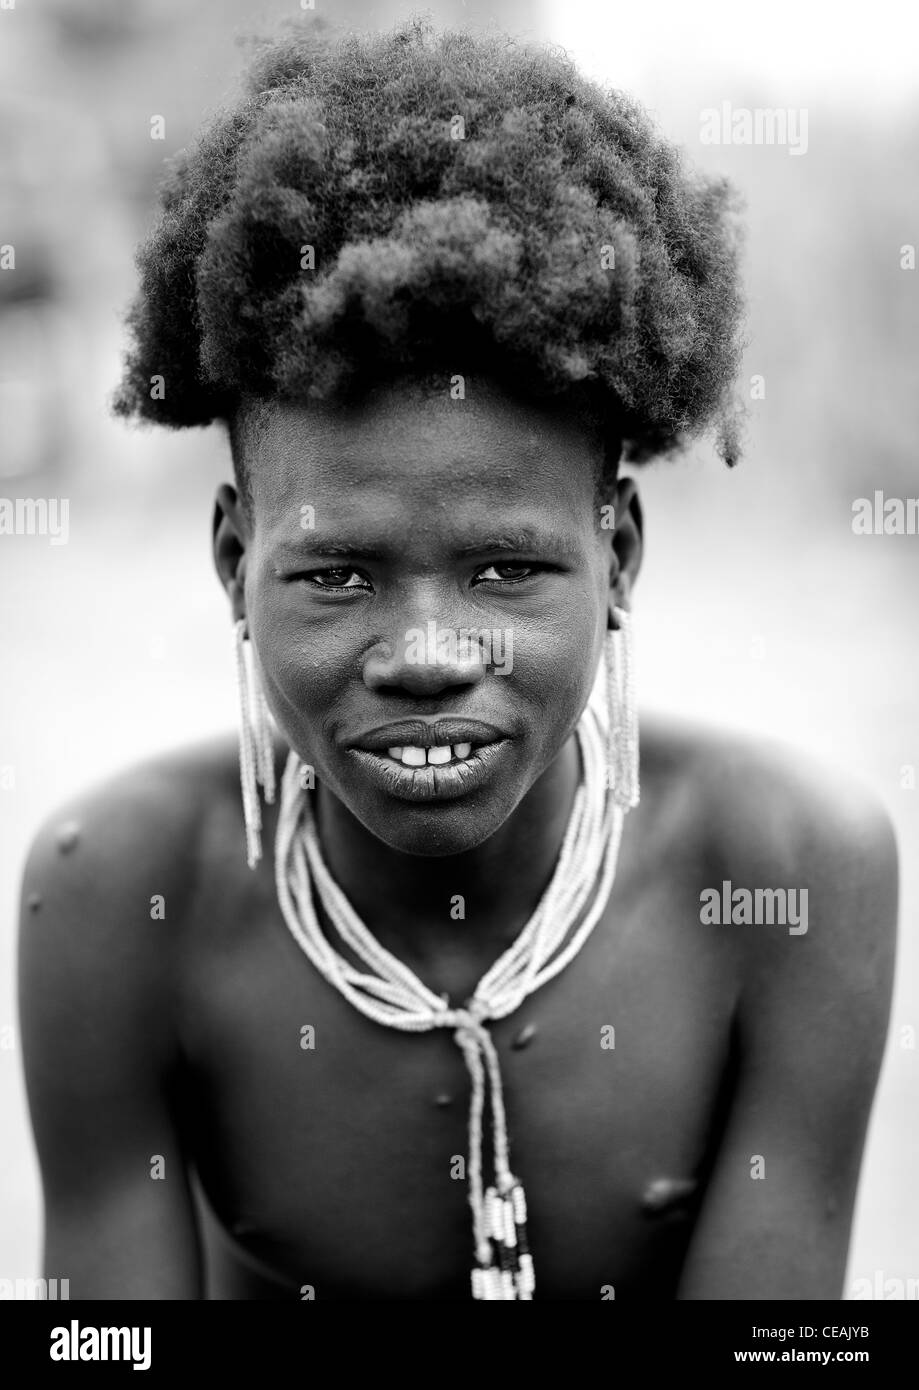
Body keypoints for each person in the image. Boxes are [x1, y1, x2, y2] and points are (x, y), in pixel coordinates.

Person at [18, 18, 897, 1300]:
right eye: (336, 575)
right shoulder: (116, 899)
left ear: (620, 561)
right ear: (232, 567)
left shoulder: (791, 874)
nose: (428, 654)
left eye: (504, 569)